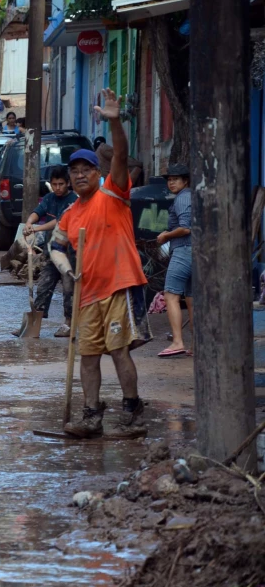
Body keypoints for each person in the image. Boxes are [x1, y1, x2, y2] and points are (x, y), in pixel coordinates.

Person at [49, 88, 152, 439]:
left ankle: (134, 412)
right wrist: (67, 269)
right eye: (73, 171)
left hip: (120, 284)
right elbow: (56, 246)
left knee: (119, 351)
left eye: (85, 169)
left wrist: (116, 122)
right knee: (88, 356)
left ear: (97, 173)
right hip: (88, 292)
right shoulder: (69, 213)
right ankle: (92, 416)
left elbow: (121, 155)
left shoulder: (113, 191)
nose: (79, 175)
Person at [18, 166, 79, 337]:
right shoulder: (49, 198)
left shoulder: (73, 201)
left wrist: (36, 229)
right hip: (51, 251)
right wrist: (30, 222)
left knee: (69, 289)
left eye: (61, 184)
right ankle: (33, 323)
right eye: (55, 184)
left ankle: (68, 324)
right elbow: (38, 212)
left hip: (69, 254)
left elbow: (59, 222)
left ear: (68, 183)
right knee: (44, 285)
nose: (58, 187)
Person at [156, 163, 193, 358]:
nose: (171, 183)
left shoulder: (183, 198)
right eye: (169, 180)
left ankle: (177, 341)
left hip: (183, 250)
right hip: (194, 252)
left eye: (175, 179)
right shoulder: (191, 196)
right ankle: (196, 345)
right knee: (192, 299)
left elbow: (186, 228)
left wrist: (166, 236)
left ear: (185, 180)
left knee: (170, 295)